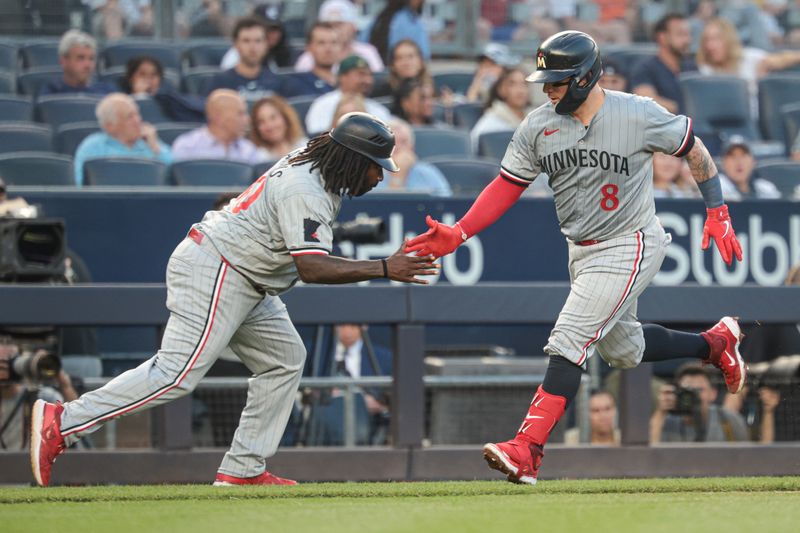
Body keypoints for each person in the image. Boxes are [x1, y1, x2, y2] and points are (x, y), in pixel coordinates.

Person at [404, 31, 747, 485]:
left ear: (586, 78)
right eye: (545, 79)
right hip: (581, 250)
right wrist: (461, 230)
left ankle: (527, 448)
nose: (547, 88)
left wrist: (717, 211)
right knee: (624, 351)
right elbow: (507, 184)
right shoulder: (538, 125)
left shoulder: (637, 112)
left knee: (569, 337)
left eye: (558, 80)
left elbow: (693, 149)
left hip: (632, 240)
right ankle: (716, 343)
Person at [29, 112, 439, 487]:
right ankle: (63, 421)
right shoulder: (307, 188)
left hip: (247, 275)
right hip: (220, 267)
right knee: (175, 374)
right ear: (352, 158)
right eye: (376, 166)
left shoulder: (320, 165)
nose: (380, 176)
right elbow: (313, 269)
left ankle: (243, 470)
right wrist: (385, 267)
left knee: (285, 359)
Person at [697, 17, 800, 116]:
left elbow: (782, 58)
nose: (710, 46)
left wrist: (765, 68)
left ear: (729, 39)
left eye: (716, 39)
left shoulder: (748, 58)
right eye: (707, 40)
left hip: (755, 121)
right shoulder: (705, 69)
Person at [73, 93, 172, 186]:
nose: (138, 120)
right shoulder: (92, 147)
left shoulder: (150, 142)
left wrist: (156, 148)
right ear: (110, 126)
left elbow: (175, 175)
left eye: (137, 114)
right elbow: (79, 184)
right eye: (130, 116)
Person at [1, 338, 79, 451]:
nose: (4, 369)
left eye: (10, 362)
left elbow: (76, 423)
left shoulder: (42, 397)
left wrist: (64, 384)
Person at [650, 363, 748, 443]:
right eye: (687, 390)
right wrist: (661, 412)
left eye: (699, 390)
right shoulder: (666, 421)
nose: (694, 395)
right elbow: (648, 455)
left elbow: (745, 456)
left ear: (713, 394)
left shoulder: (728, 420)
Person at [172, 89, 266, 165]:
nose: (247, 120)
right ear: (218, 116)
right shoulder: (187, 146)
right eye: (240, 114)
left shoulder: (249, 150)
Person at [204, 17, 287, 101]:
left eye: (258, 41)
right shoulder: (219, 83)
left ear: (266, 44)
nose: (252, 47)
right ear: (236, 44)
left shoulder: (279, 83)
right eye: (246, 41)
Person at [305, 55, 391, 135]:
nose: (368, 80)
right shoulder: (322, 104)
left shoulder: (378, 109)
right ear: (343, 77)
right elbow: (315, 137)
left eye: (370, 75)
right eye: (361, 74)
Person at [631, 13, 696, 115]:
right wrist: (687, 108)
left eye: (688, 34)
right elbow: (646, 102)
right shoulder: (645, 68)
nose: (687, 40)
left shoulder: (691, 67)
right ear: (662, 37)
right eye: (680, 34)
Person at [294, 0, 384, 73]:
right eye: (328, 25)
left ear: (353, 26)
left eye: (339, 24)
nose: (335, 29)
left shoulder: (367, 52)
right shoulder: (308, 58)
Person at [376, 119, 451, 196]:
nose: (398, 148)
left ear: (412, 148)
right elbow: (387, 206)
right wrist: (398, 177)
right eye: (392, 142)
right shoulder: (370, 174)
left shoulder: (428, 173)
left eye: (403, 142)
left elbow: (446, 204)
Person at [121, 56, 206, 122]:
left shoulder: (172, 102)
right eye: (142, 74)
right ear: (131, 78)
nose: (148, 79)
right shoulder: (120, 104)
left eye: (153, 75)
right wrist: (140, 96)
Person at [39, 30, 116, 97]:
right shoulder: (51, 93)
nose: (87, 65)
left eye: (91, 59)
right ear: (63, 61)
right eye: (80, 58)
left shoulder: (107, 93)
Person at [471, 66, 532, 149]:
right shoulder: (490, 123)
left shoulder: (535, 120)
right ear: (501, 89)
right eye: (512, 84)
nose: (520, 90)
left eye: (524, 84)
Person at [284, 22, 340, 98]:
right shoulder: (297, 85)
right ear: (309, 48)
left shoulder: (348, 83)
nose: (328, 49)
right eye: (321, 43)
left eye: (334, 43)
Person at [249, 96, 308, 161]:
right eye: (261, 121)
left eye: (273, 117)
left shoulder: (304, 146)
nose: (269, 125)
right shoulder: (258, 157)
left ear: (285, 118)